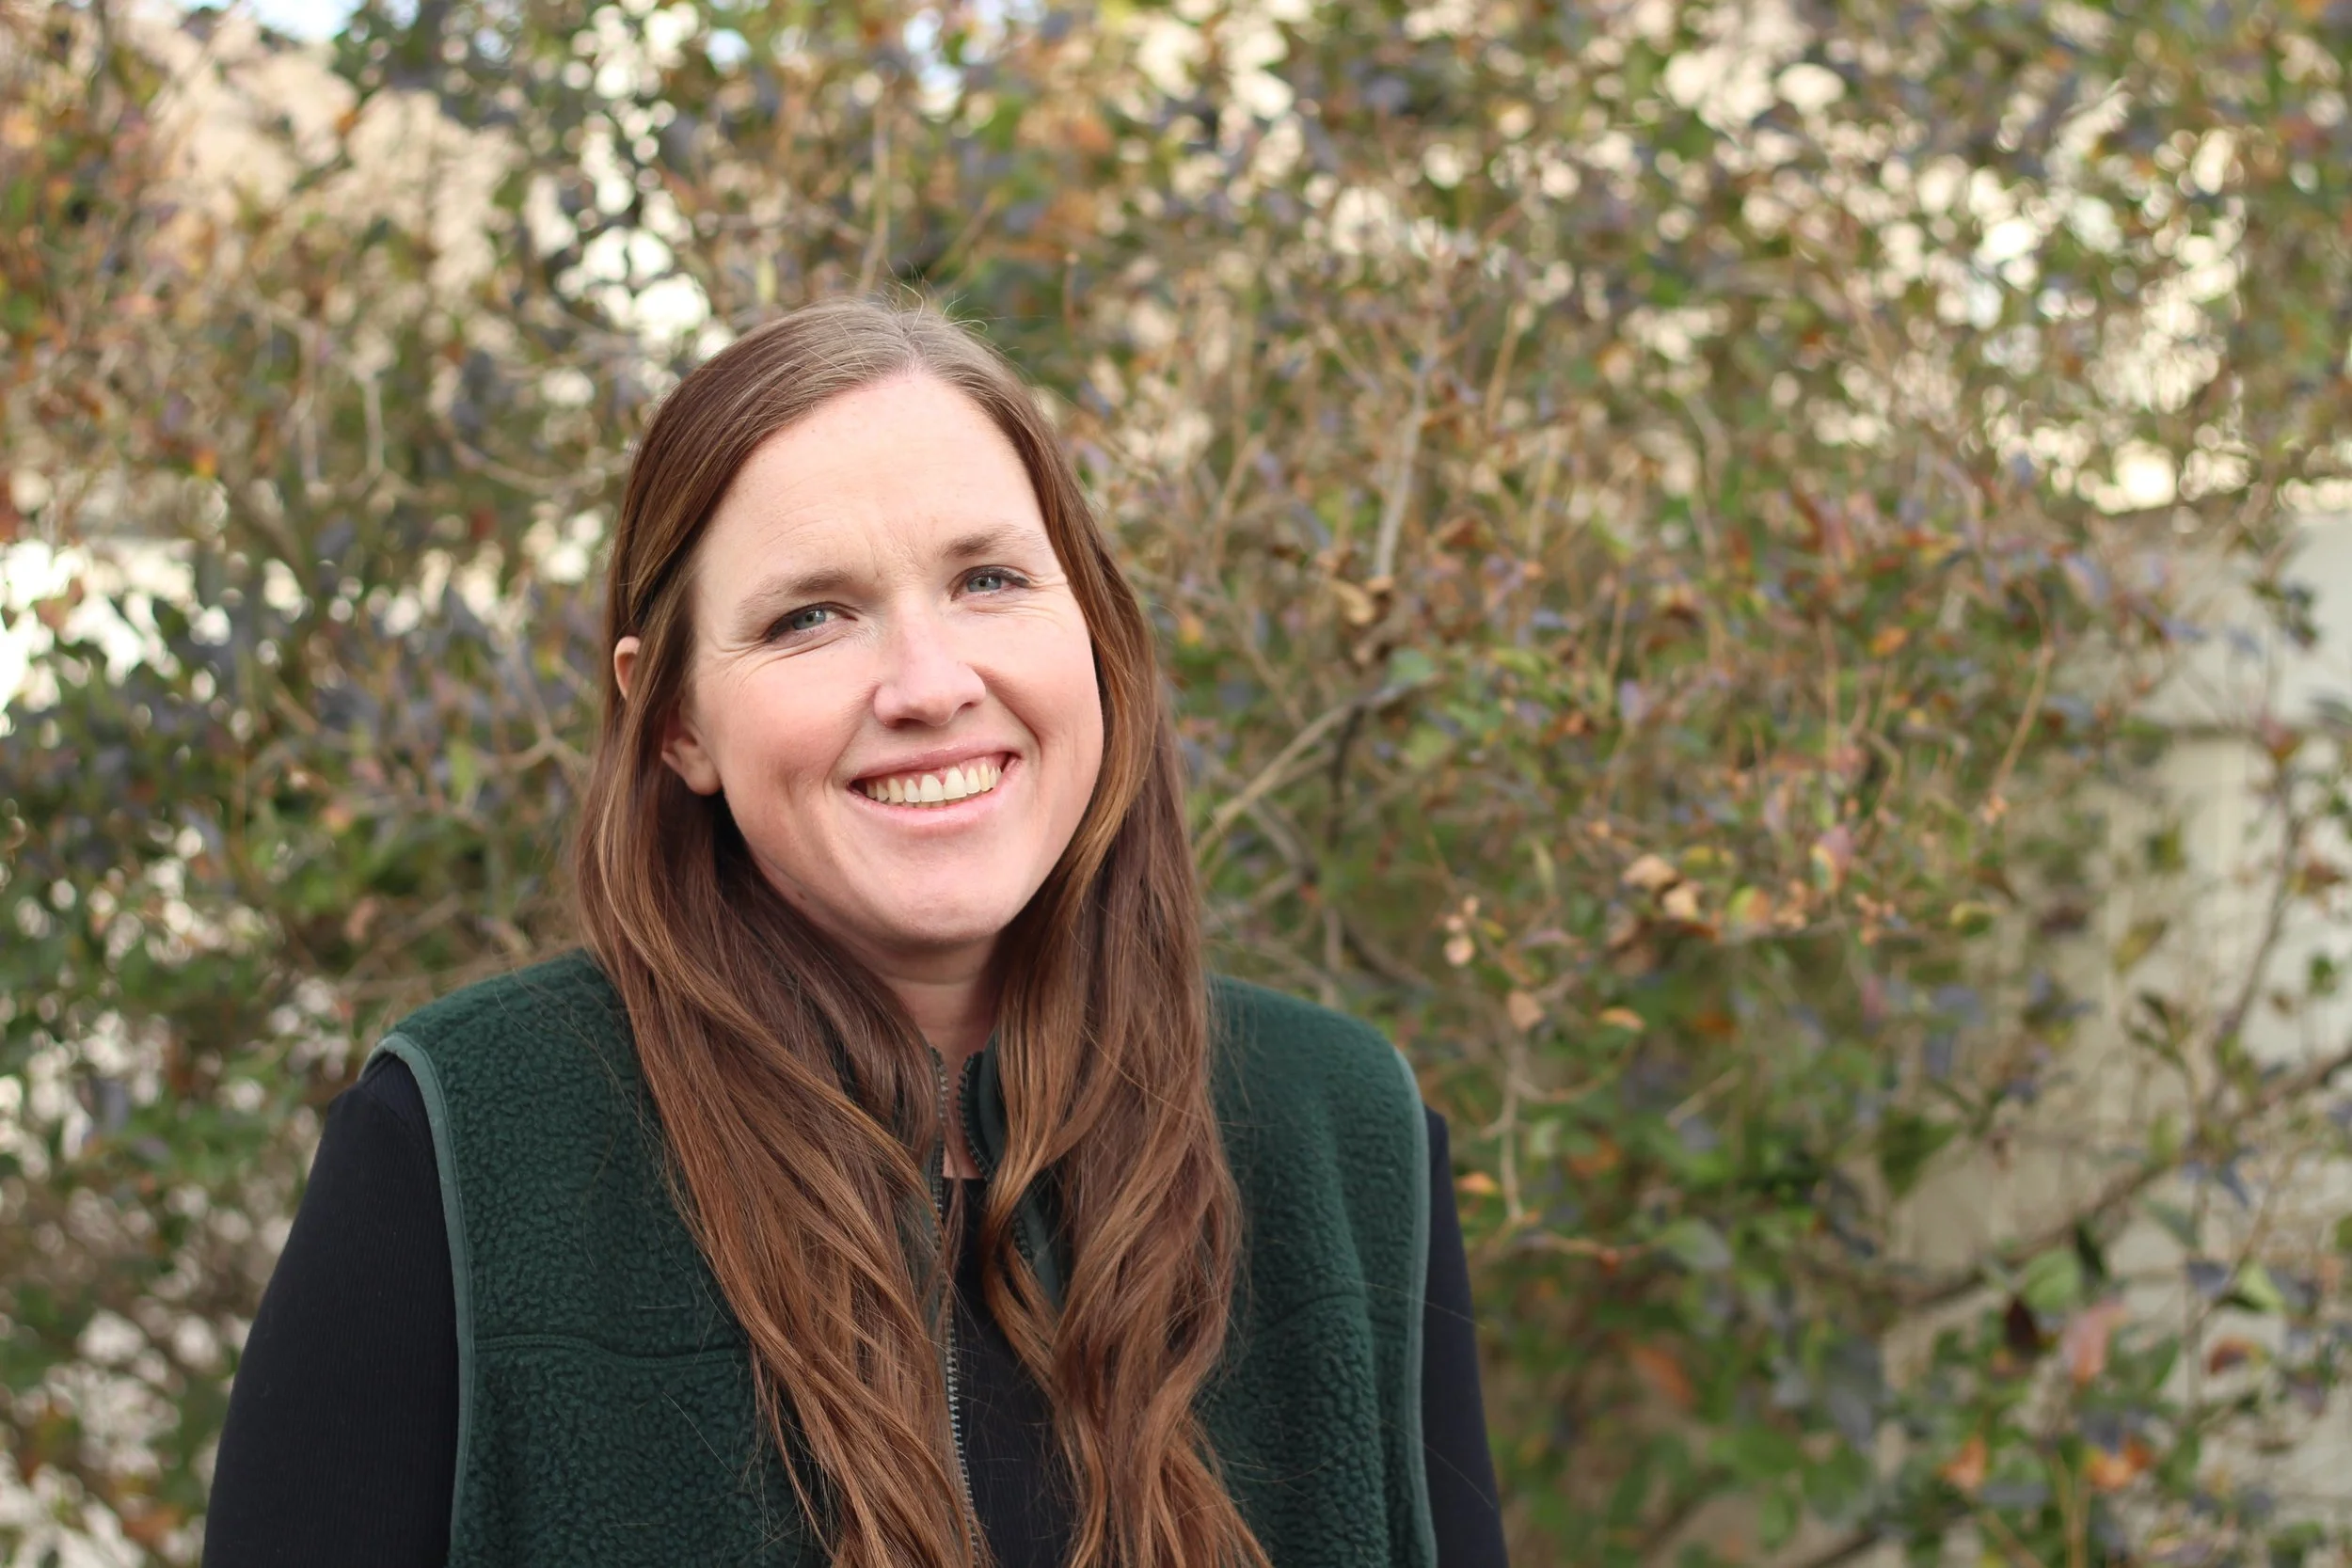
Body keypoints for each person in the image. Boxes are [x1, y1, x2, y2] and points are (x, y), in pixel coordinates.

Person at [202, 298, 1507, 1567]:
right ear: (675, 719)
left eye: (990, 578)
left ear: (1096, 634)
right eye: (810, 616)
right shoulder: (460, 1145)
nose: (930, 685)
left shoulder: (1343, 1136)